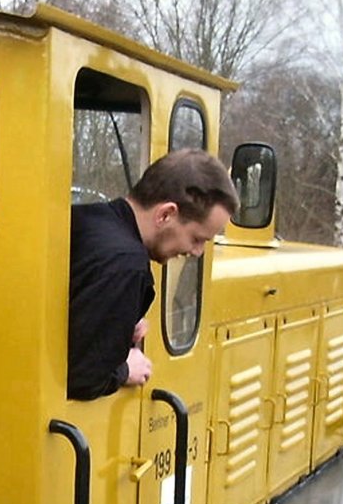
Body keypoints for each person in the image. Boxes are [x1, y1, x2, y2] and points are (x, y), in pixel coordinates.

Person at [67, 149, 239, 400]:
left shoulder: (86, 219)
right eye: (197, 238)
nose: (197, 252)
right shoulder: (127, 265)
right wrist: (125, 370)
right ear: (166, 214)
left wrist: (119, 325)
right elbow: (82, 378)